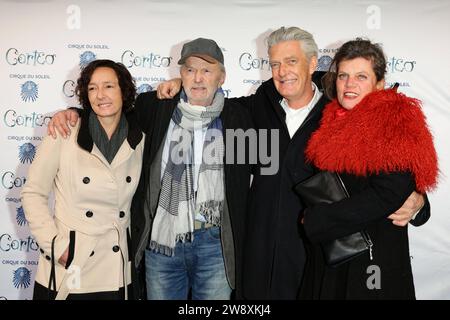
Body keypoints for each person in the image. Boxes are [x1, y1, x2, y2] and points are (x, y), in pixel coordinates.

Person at [156, 27, 431, 299]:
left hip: (318, 254)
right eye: (275, 63)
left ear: (313, 63)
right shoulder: (259, 104)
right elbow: (212, 103)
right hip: (262, 254)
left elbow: (388, 175)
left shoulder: (337, 108)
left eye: (291, 61)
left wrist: (418, 200)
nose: (282, 71)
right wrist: (186, 85)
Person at [47, 38, 253, 300]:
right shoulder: (155, 106)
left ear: (221, 77)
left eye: (206, 70)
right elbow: (110, 114)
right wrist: (73, 112)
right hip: (162, 244)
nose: (197, 78)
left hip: (215, 245)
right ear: (180, 74)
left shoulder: (240, 117)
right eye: (190, 70)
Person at [297, 38, 438, 299]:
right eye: (343, 76)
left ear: (379, 84)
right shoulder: (329, 120)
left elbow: (387, 193)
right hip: (332, 257)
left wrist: (320, 219)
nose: (350, 84)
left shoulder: (396, 122)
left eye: (361, 76)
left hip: (374, 262)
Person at [21, 59, 145, 300]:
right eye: (92, 88)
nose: (100, 95)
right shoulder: (64, 132)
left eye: (109, 86)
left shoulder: (138, 138)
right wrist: (56, 246)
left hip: (116, 267)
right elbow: (33, 193)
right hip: (72, 263)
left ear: (124, 91)